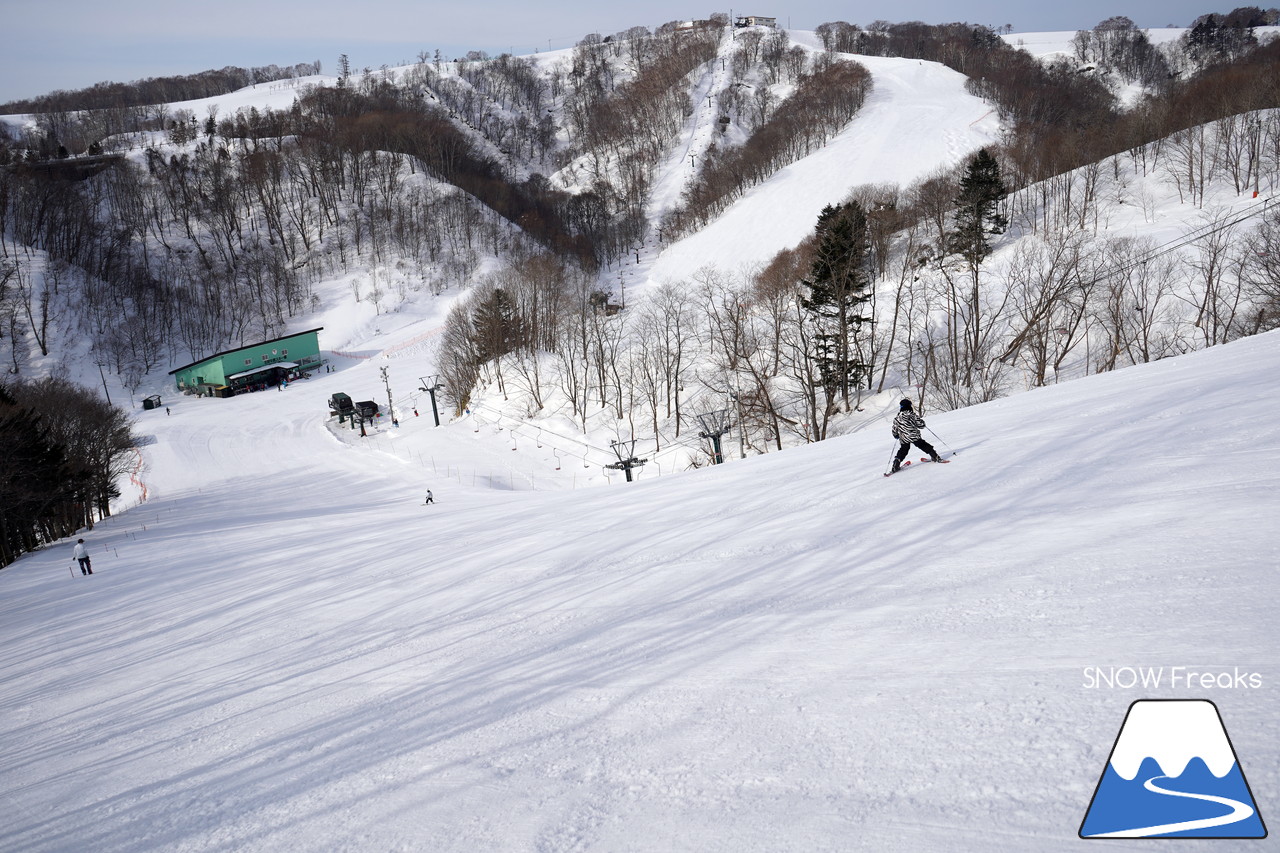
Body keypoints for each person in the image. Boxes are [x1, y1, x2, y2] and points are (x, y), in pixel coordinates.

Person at [891, 398, 944, 473]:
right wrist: (922, 423)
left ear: (901, 407)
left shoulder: (897, 418)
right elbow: (921, 425)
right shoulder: (912, 415)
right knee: (923, 445)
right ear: (910, 406)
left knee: (903, 450)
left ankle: (896, 464)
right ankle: (935, 456)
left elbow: (894, 429)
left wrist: (896, 435)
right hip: (914, 436)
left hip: (904, 437)